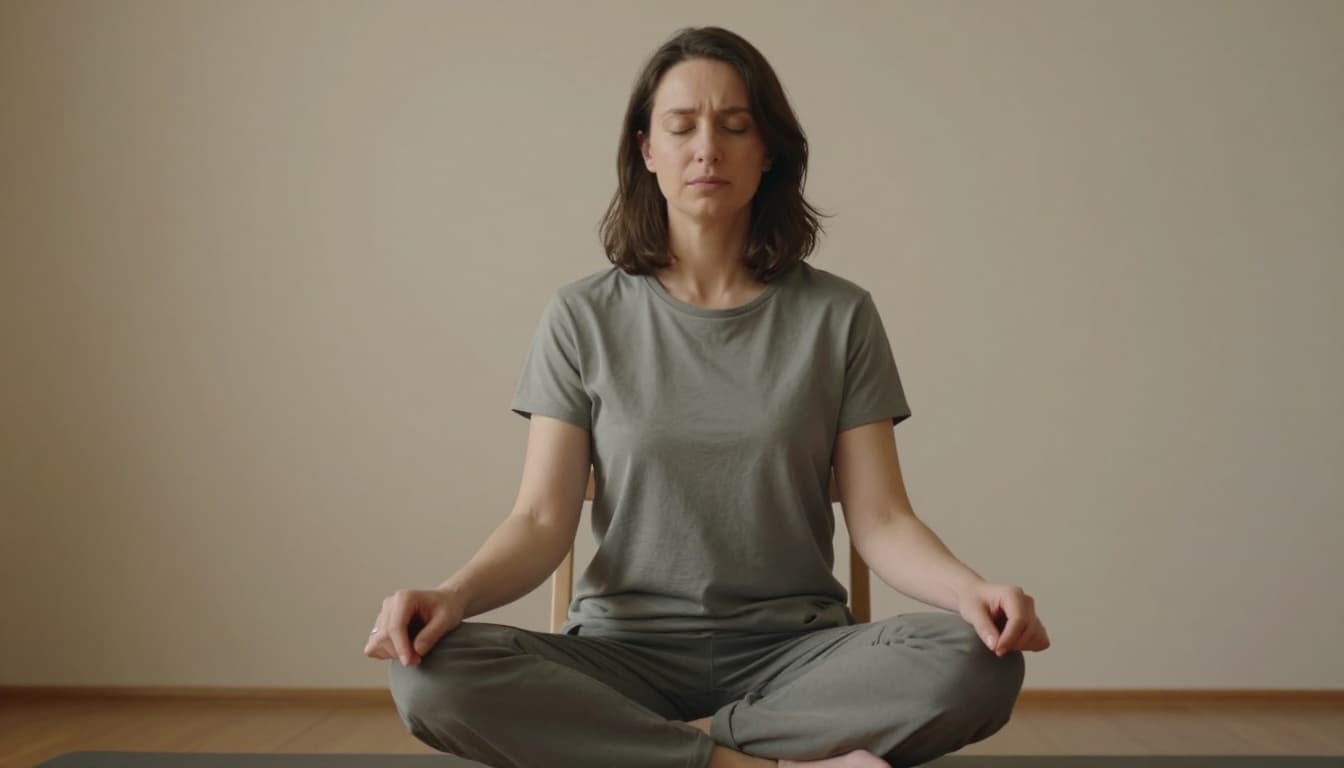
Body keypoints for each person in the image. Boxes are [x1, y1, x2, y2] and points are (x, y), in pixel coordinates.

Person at [364, 25, 1050, 768]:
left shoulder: (840, 316)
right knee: (430, 673)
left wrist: (971, 590)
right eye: (681, 126)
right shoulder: (581, 317)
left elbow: (881, 520)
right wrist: (452, 596)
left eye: (735, 126)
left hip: (799, 655)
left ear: (770, 152)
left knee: (977, 658)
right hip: (623, 660)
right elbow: (539, 520)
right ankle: (759, 762)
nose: (707, 149)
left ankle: (655, 757)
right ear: (646, 150)